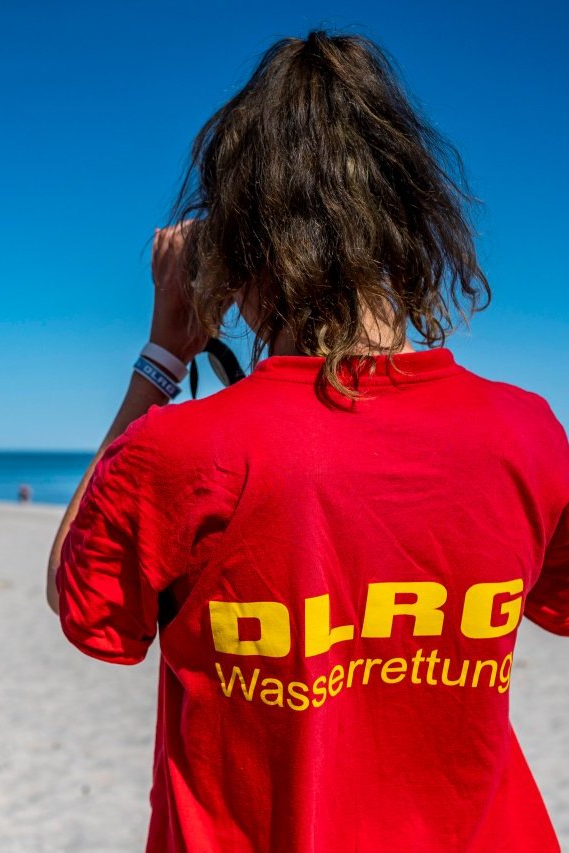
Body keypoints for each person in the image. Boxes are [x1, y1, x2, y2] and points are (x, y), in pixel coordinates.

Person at [48, 32, 567, 852]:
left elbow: (83, 603)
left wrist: (163, 353)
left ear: (243, 246)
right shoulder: (529, 435)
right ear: (407, 223)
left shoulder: (181, 450)